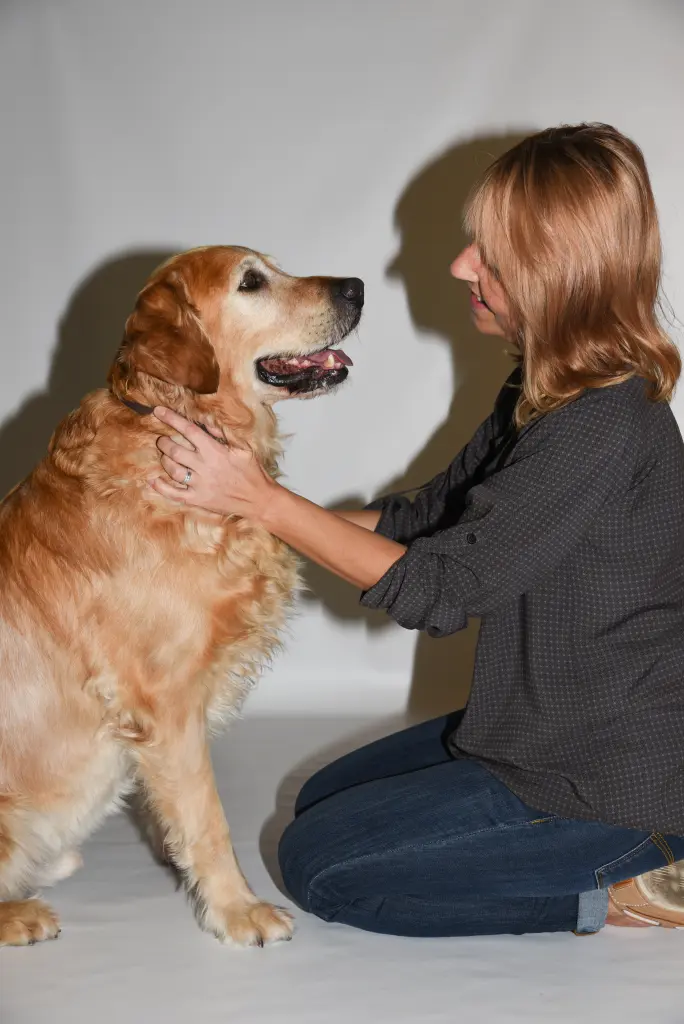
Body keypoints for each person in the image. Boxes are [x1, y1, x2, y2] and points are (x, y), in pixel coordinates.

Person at [148, 123, 684, 936]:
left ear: (558, 272)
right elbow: (428, 517)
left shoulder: (602, 423)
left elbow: (442, 589)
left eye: (491, 255)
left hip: (604, 780)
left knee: (320, 866)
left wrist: (262, 502)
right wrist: (234, 503)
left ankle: (625, 883)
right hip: (533, 728)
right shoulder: (545, 389)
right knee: (326, 801)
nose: (460, 265)